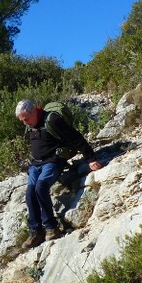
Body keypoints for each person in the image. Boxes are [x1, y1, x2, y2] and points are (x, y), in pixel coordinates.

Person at [15, 99, 102, 248]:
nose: (25, 123)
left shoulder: (52, 120)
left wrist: (91, 159)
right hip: (36, 164)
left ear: (34, 111)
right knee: (30, 193)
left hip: (53, 161)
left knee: (40, 188)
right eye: (22, 121)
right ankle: (35, 231)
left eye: (26, 119)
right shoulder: (30, 124)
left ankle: (51, 228)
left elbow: (75, 137)